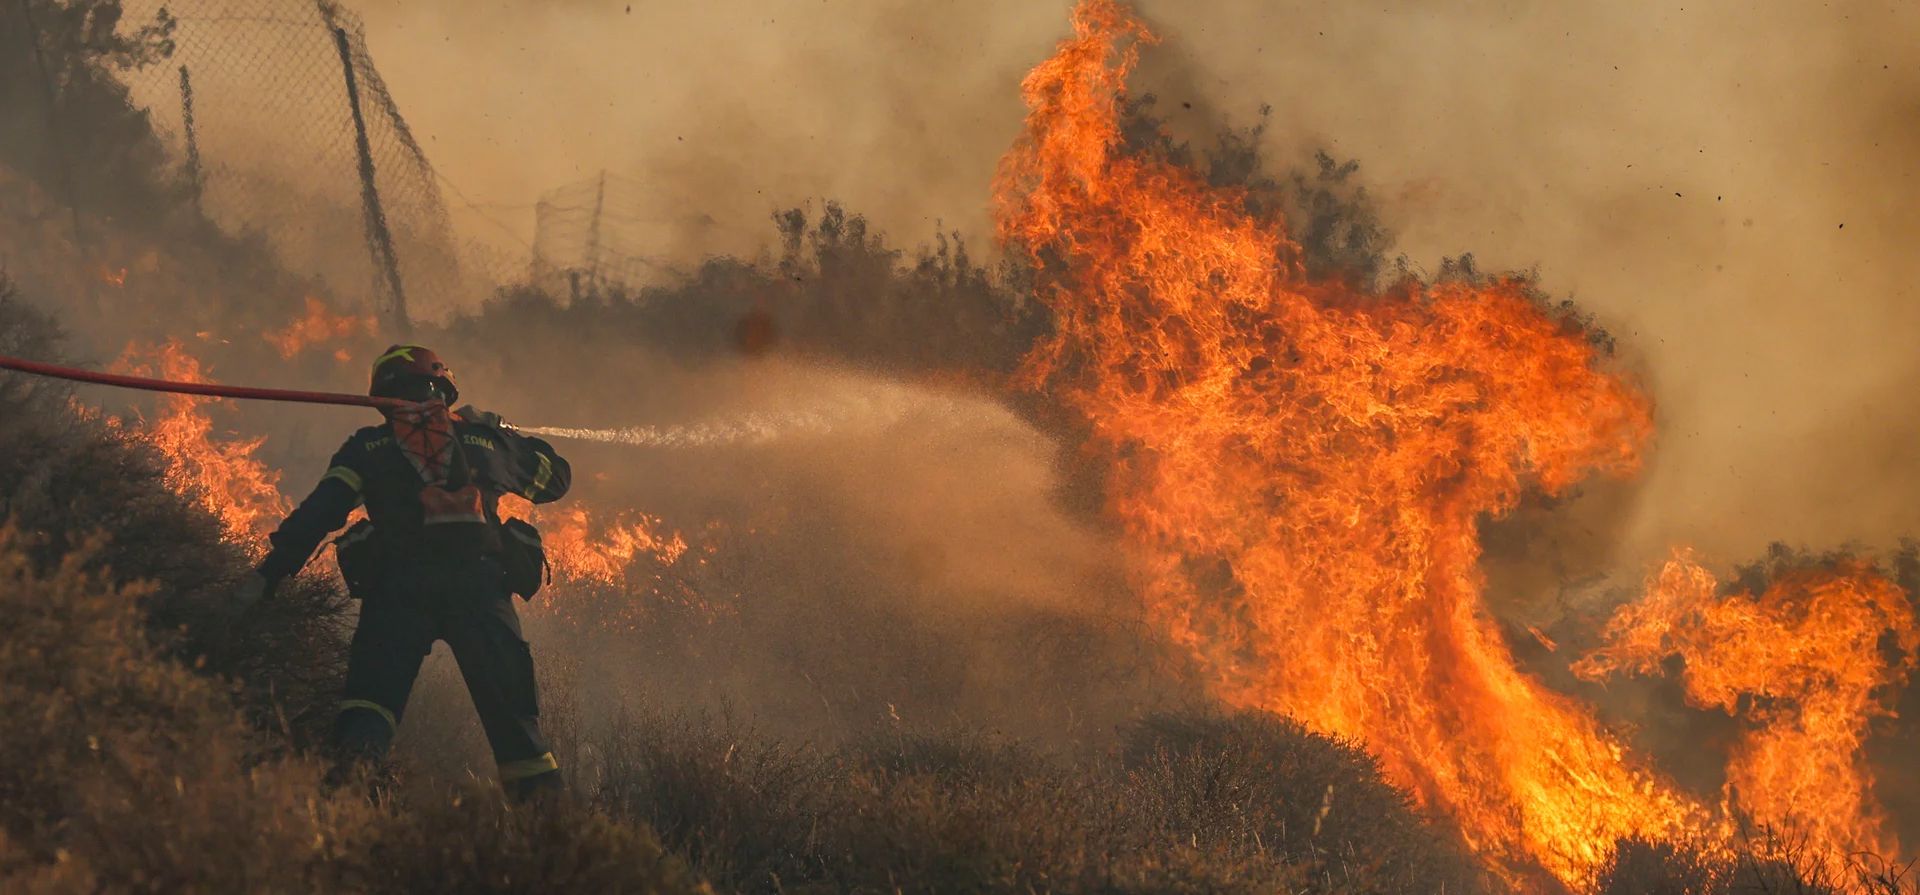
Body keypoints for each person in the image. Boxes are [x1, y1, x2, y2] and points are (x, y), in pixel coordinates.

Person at [234, 344, 571, 800]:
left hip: (397, 592)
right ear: (445, 387)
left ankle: (340, 821)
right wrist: (502, 432)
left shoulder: (367, 447)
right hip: (481, 591)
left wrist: (268, 575)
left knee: (368, 712)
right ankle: (552, 841)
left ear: (382, 394)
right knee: (516, 730)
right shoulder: (483, 441)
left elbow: (319, 514)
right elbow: (555, 480)